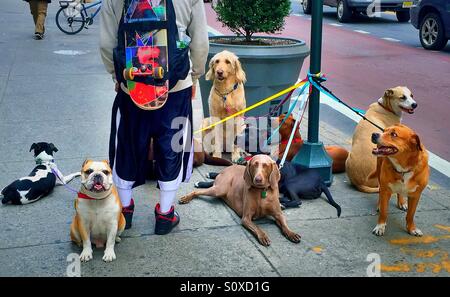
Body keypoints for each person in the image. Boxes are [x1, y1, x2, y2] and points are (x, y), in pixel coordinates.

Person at [99, 0, 209, 235]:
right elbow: (200, 42)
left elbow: (107, 43)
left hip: (132, 87)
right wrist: (195, 76)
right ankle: (165, 215)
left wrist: (117, 76)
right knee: (172, 147)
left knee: (127, 146)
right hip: (176, 85)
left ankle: (124, 211)